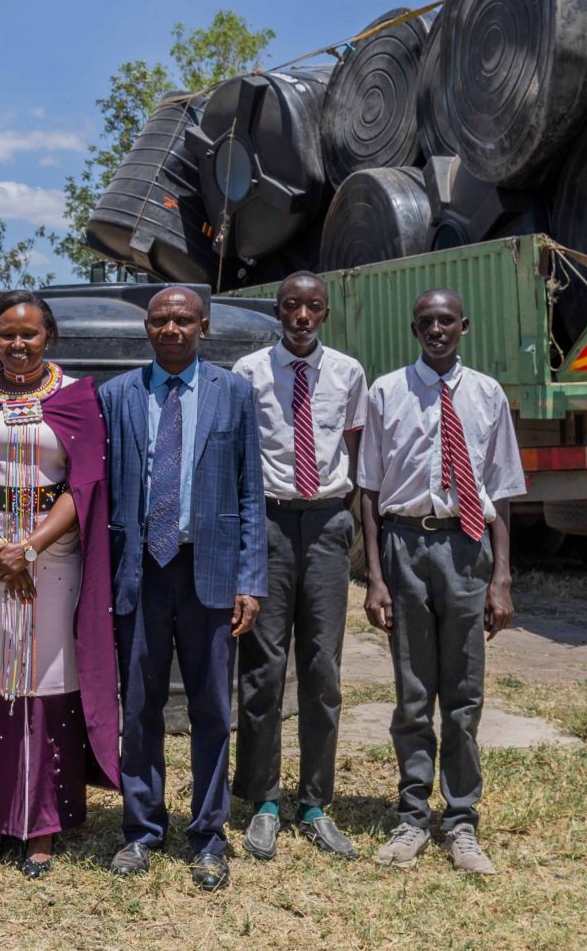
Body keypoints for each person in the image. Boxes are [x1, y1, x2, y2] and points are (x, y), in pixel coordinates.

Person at [0, 292, 118, 880]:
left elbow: (84, 484)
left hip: (54, 557)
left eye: (30, 334)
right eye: (7, 334)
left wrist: (30, 547)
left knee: (47, 679)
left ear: (49, 337)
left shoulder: (76, 398)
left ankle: (43, 822)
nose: (18, 344)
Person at [100, 287, 264, 893]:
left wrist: (250, 580)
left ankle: (208, 835)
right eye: (160, 320)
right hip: (140, 570)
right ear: (146, 327)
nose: (171, 329)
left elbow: (251, 492)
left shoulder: (234, 393)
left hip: (209, 570)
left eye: (183, 320)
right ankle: (142, 830)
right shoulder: (116, 395)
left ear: (204, 326)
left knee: (212, 707)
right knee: (139, 705)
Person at [359, 288, 523, 876]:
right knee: (412, 691)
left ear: (464, 326)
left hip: (466, 546)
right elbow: (369, 490)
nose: (436, 330)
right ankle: (411, 816)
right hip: (404, 544)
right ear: (414, 328)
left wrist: (501, 576)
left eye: (446, 321)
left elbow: (501, 489)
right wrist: (375, 577)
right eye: (426, 321)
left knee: (463, 692)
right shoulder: (387, 392)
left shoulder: (487, 394)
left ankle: (460, 820)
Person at [231, 272, 368, 861]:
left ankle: (314, 801)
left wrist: (350, 526)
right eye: (292, 306)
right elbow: (238, 455)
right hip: (268, 523)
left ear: (325, 313)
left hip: (327, 523)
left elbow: (357, 455)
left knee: (322, 668)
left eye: (313, 306)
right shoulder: (248, 372)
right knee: (263, 668)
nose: (303, 316)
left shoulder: (349, 373)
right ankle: (262, 799)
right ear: (278, 311)